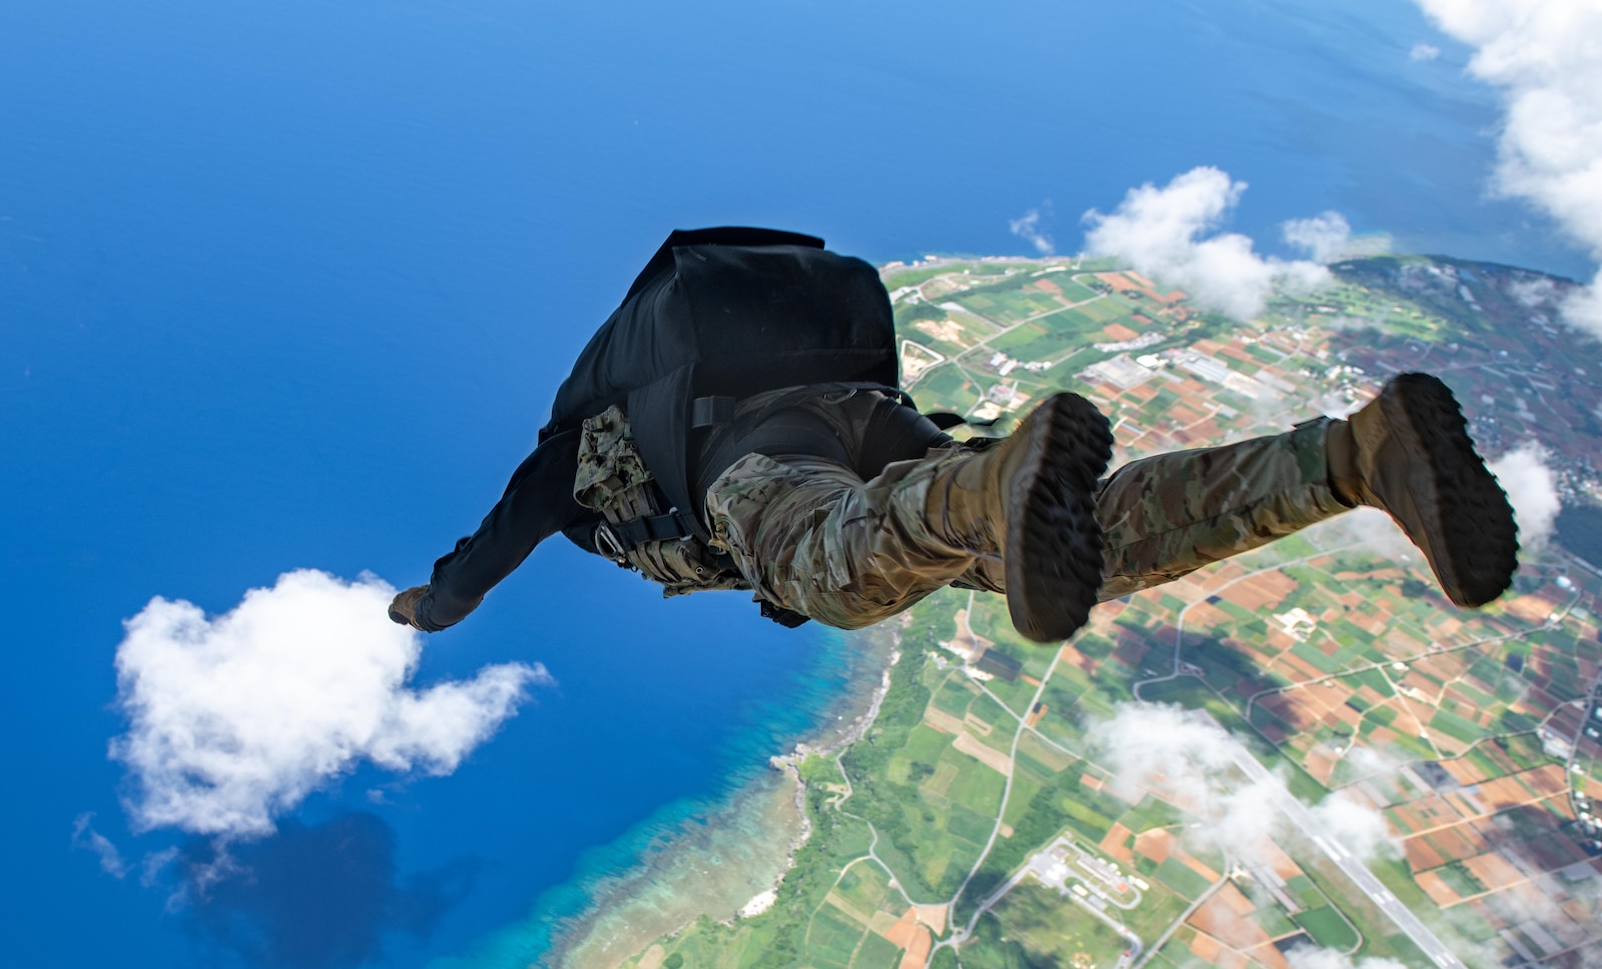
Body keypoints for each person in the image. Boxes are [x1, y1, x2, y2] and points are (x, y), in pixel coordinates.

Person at [388, 230, 1516, 643]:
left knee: (828, 573)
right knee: (1086, 544)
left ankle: (990, 487)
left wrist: (440, 601)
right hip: (869, 421)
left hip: (761, 455)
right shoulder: (626, 438)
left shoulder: (574, 463)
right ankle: (1355, 455)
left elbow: (510, 524)